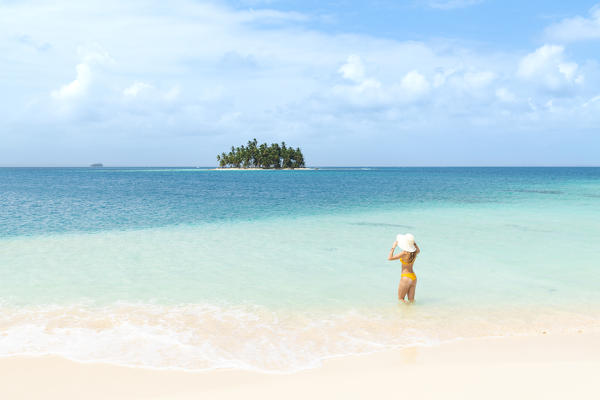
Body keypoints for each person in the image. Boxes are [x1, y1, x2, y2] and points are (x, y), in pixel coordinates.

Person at [388, 233, 420, 303]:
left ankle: (403, 313)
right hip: (413, 277)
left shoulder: (404, 253)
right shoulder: (414, 252)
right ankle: (411, 312)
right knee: (411, 300)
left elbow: (390, 258)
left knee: (401, 299)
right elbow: (418, 250)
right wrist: (413, 243)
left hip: (406, 277)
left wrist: (393, 247)